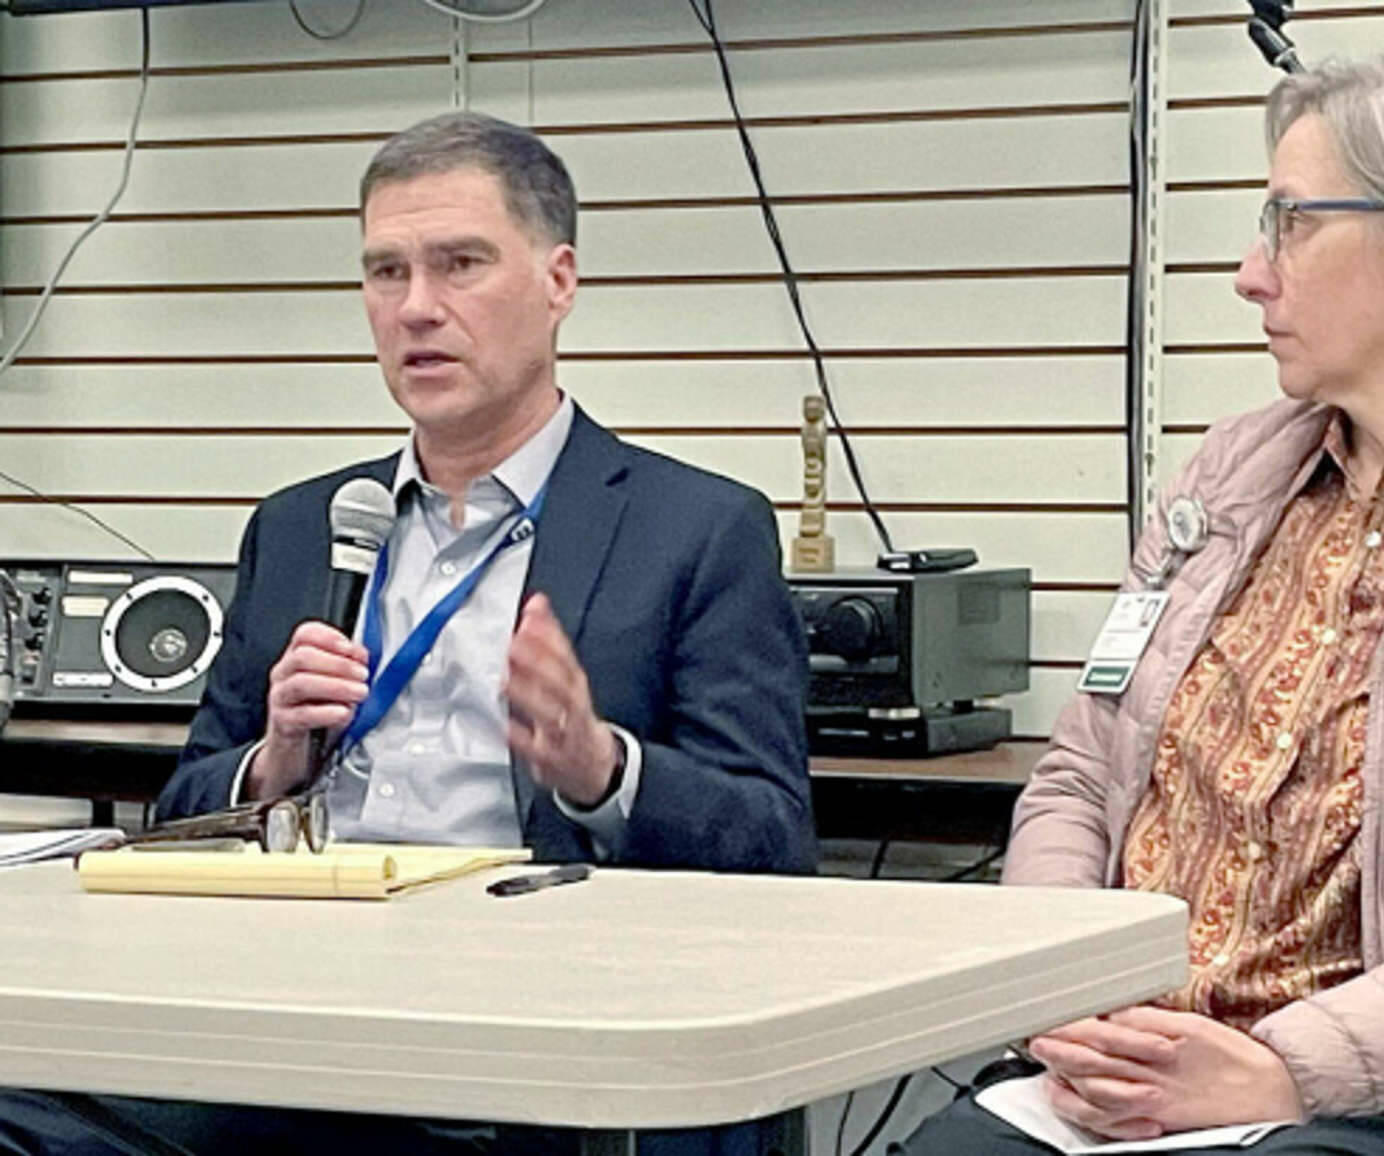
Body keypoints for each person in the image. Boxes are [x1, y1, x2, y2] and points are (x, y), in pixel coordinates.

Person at [897, 50, 1384, 1156]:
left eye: (1291, 222)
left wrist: (1278, 1070)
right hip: (1130, 1081)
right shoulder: (1222, 485)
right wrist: (1068, 997)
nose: (1250, 274)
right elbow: (1079, 778)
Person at [0, 111, 812, 1156]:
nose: (417, 307)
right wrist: (272, 764)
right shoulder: (303, 526)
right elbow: (185, 805)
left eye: (460, 264)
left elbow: (773, 844)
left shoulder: (695, 529)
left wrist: (601, 769)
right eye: (386, 272)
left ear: (559, 281)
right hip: (293, 1023)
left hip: (530, 1041)